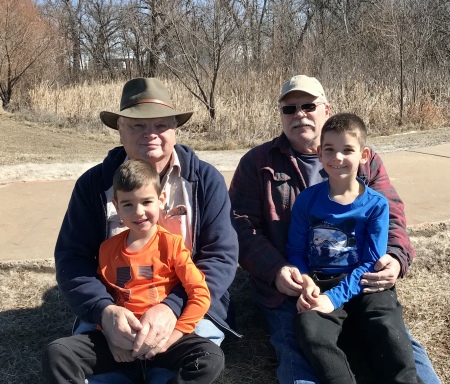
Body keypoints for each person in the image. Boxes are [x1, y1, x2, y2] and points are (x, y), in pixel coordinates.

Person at [228, 75, 439, 383]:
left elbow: (391, 213)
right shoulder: (258, 164)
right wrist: (277, 269)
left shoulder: (364, 158)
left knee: (399, 350)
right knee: (303, 360)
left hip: (362, 280)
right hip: (300, 287)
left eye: (309, 105)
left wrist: (394, 257)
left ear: (326, 110)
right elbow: (241, 227)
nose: (299, 114)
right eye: (290, 109)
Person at [48, 77, 239, 383]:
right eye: (137, 125)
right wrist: (104, 312)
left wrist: (172, 309)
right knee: (62, 357)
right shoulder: (93, 185)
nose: (151, 134)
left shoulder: (206, 180)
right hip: (115, 315)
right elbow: (72, 259)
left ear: (175, 130)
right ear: (119, 129)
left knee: (204, 361)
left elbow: (221, 257)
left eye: (161, 125)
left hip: (183, 308)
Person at [43, 159, 225, 383]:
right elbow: (107, 297)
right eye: (128, 204)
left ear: (161, 200)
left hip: (165, 340)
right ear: (116, 206)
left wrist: (173, 336)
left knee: (209, 358)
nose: (139, 212)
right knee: (58, 352)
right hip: (121, 343)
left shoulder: (173, 246)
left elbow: (200, 293)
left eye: (147, 202)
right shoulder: (107, 249)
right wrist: (109, 334)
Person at [286, 113, 422, 383]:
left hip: (367, 283)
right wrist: (305, 282)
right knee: (310, 331)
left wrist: (334, 299)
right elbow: (296, 251)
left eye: (348, 150)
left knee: (388, 330)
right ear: (319, 154)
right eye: (330, 150)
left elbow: (372, 261)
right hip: (321, 282)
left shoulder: (376, 205)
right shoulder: (306, 201)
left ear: (364, 154)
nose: (337, 158)